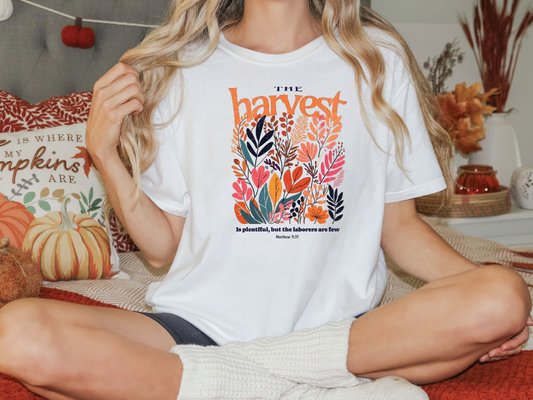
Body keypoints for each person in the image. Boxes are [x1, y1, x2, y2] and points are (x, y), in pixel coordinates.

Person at [0, 0, 531, 399]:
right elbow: (163, 251)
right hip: (195, 327)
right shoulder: (184, 66)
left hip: (345, 332)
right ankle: (303, 384)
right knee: (16, 332)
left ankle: (234, 379)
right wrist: (105, 154)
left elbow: (399, 227)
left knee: (505, 297)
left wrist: (481, 290)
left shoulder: (375, 59)